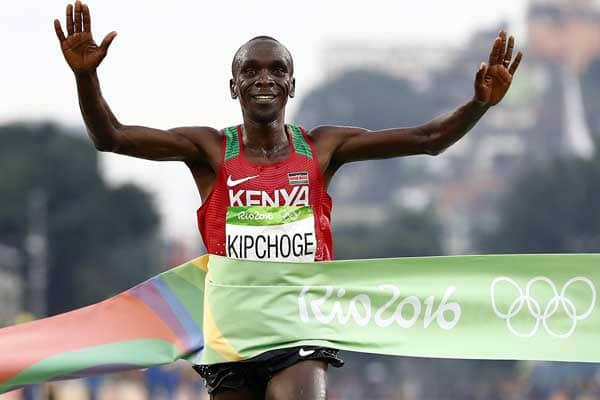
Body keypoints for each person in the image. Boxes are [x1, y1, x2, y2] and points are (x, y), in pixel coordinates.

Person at [53, 2, 523, 399]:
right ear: (233, 87)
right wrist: (86, 78)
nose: (265, 78)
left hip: (300, 321)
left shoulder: (322, 147)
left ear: (292, 86)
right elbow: (110, 137)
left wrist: (478, 103)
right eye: (250, 70)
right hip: (231, 330)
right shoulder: (211, 150)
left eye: (278, 70)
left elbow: (428, 139)